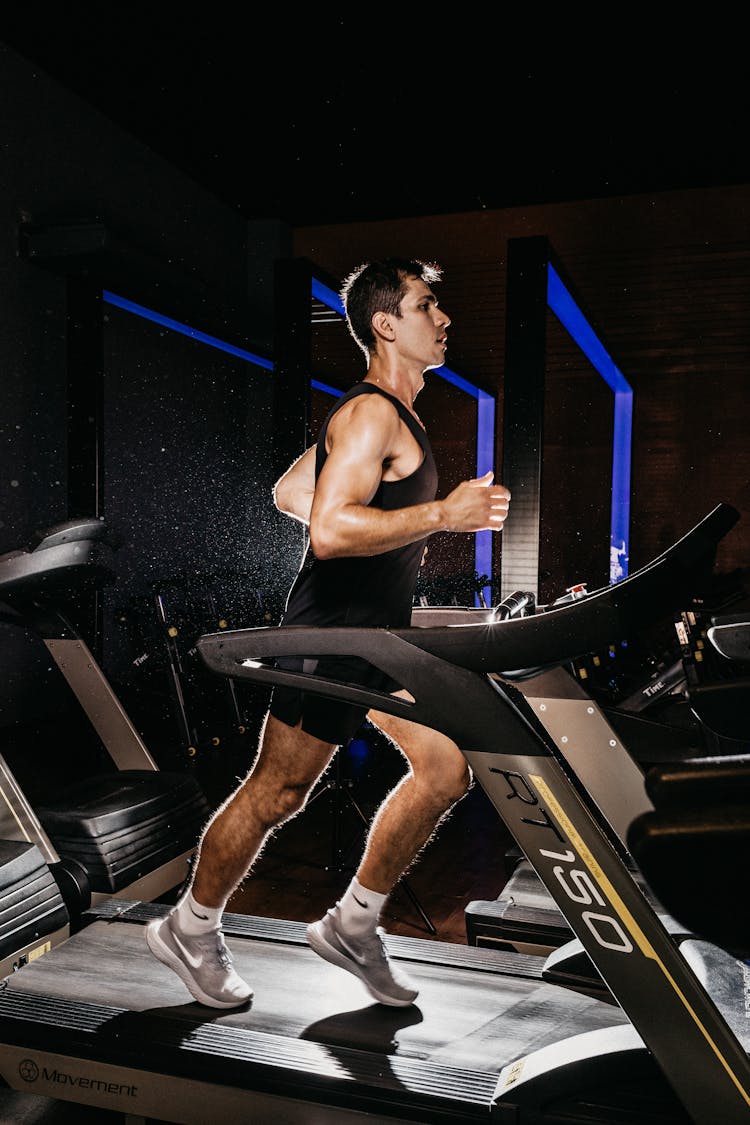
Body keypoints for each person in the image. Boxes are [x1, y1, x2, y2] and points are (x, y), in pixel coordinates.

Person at [146, 256, 511, 1009]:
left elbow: (293, 491)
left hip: (373, 638)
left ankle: (353, 922)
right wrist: (443, 513)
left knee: (444, 769)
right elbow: (332, 532)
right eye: (425, 306)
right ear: (386, 325)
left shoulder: (383, 417)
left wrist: (360, 504)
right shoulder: (370, 411)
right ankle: (190, 924)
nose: (443, 320)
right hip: (331, 635)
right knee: (278, 793)